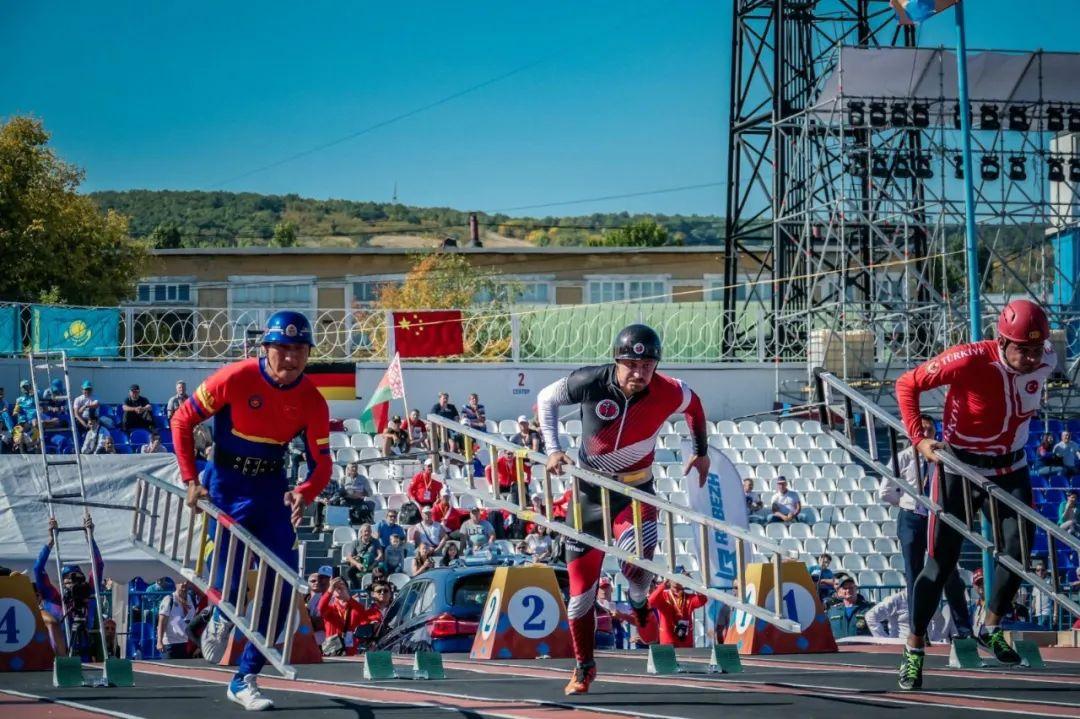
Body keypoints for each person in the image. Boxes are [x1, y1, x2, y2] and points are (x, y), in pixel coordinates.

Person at [536, 324, 709, 695]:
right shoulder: (590, 381)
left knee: (636, 566)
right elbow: (546, 399)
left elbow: (694, 406)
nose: (639, 373)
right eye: (631, 364)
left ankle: (638, 601)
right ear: (617, 361)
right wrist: (553, 449)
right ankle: (584, 667)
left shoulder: (669, 390)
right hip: (588, 495)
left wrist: (701, 451)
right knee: (580, 595)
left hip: (635, 492)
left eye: (647, 366)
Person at [171, 310, 330, 711]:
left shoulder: (312, 400)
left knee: (284, 587)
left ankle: (245, 678)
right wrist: (191, 479)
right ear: (266, 348)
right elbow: (182, 419)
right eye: (282, 348)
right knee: (230, 582)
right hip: (225, 487)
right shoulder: (236, 377)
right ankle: (221, 613)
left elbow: (322, 464)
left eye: (299, 349)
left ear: (309, 354)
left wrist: (305, 492)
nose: (291, 358)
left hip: (272, 492)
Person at [894, 298, 1055, 690]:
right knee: (940, 564)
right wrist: (919, 439)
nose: (1031, 358)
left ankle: (991, 626)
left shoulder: (1048, 359)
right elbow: (907, 384)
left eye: (1037, 350)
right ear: (1002, 341)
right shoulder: (968, 359)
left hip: (1011, 467)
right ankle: (914, 647)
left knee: (1019, 552)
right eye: (1023, 350)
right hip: (960, 467)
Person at [878, 413, 973, 640]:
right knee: (914, 573)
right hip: (911, 518)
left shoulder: (943, 457)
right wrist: (907, 503)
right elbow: (885, 491)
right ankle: (918, 631)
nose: (926, 433)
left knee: (949, 573)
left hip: (937, 517)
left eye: (930, 429)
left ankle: (965, 630)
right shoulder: (903, 457)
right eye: (922, 429)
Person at [648, 573, 707, 648]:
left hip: (685, 641)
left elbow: (703, 599)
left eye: (680, 578)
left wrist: (693, 583)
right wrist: (663, 585)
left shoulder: (689, 598)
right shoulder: (664, 596)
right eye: (674, 578)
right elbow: (651, 601)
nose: (676, 581)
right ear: (669, 579)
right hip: (668, 640)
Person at [317, 577, 366, 656]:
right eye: (335, 587)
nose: (339, 588)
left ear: (347, 589)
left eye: (341, 585)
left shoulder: (354, 607)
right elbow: (320, 608)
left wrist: (348, 598)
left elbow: (362, 612)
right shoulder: (330, 609)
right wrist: (330, 590)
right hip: (333, 650)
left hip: (351, 651)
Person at [157, 579, 197, 659]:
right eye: (181, 581)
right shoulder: (169, 599)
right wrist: (159, 641)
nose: (184, 584)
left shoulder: (192, 599)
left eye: (186, 582)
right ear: (175, 584)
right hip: (171, 645)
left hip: (188, 644)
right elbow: (161, 622)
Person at [826, 574, 873, 639]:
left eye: (851, 587)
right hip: (839, 645)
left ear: (856, 588)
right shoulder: (832, 611)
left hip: (861, 645)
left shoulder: (869, 608)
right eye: (845, 588)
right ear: (839, 591)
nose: (848, 590)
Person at [344, 524, 383, 588]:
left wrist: (374, 563)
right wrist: (357, 564)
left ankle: (377, 587)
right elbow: (349, 557)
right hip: (360, 564)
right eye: (365, 531)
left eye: (369, 531)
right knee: (349, 571)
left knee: (382, 569)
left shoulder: (375, 541)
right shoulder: (355, 542)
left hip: (372, 563)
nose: (367, 533)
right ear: (361, 532)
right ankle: (357, 588)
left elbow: (380, 554)